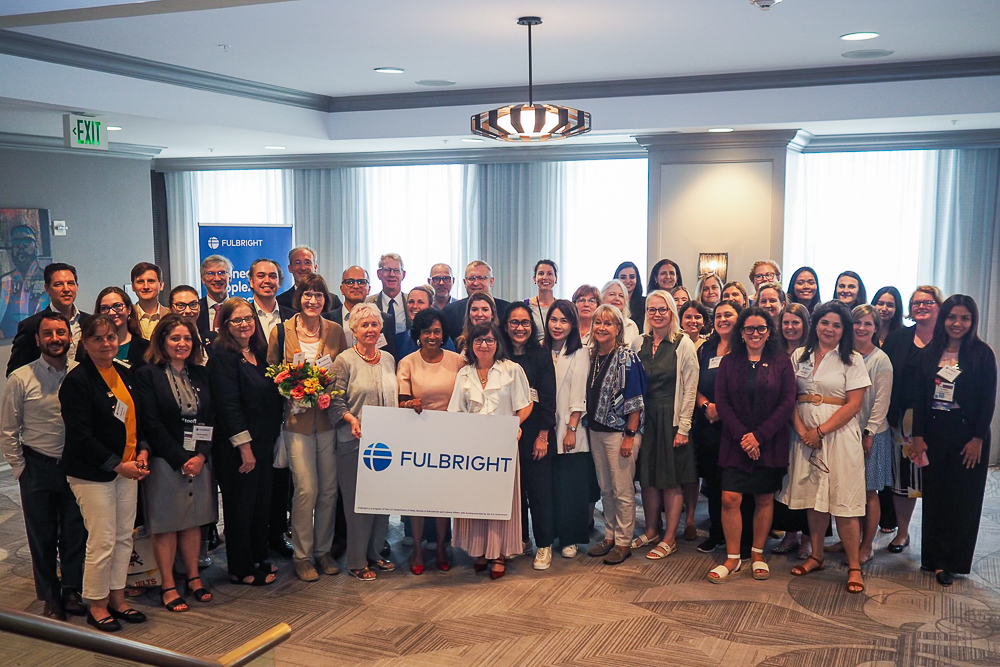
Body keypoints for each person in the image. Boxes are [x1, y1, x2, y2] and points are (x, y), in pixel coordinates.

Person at [60, 315, 150, 632]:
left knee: (124, 537)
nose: (106, 343)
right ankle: (96, 605)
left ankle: (117, 598)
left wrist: (141, 451)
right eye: (98, 338)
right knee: (102, 541)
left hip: (127, 468)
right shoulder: (77, 381)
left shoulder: (122, 373)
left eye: (111, 337)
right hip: (92, 474)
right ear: (84, 343)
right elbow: (81, 436)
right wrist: (116, 463)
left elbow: (136, 419)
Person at [778, 301, 870, 595]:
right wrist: (804, 431)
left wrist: (820, 431)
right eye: (824, 323)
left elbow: (855, 404)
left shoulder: (852, 359)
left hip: (838, 435)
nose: (829, 329)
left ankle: (854, 566)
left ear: (845, 330)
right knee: (813, 497)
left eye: (837, 325)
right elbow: (788, 397)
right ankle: (816, 556)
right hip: (803, 434)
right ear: (815, 325)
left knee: (844, 500)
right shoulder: (798, 355)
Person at [0, 312, 86, 621]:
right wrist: (21, 470)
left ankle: (73, 591)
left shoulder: (82, 373)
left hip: (77, 467)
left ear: (70, 337)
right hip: (37, 467)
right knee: (43, 535)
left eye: (60, 333)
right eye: (48, 334)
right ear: (38, 340)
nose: (55, 339)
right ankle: (50, 595)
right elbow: (8, 431)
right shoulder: (20, 379)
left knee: (76, 532)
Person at [910, 295, 996, 587]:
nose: (957, 324)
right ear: (943, 318)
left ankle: (950, 561)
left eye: (965, 318)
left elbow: (987, 401)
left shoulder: (982, 355)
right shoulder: (929, 353)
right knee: (935, 496)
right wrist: (918, 436)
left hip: (968, 434)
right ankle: (931, 559)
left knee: (961, 500)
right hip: (934, 431)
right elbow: (920, 399)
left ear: (972, 322)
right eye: (952, 317)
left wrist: (978, 438)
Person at [268, 275, 348, 582]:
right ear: (298, 298)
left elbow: (340, 373)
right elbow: (272, 374)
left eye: (318, 295)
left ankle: (322, 551)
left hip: (328, 423)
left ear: (325, 301)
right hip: (296, 424)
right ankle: (301, 554)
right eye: (307, 295)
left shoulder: (336, 331)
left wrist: (328, 394)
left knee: (329, 490)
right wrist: (291, 391)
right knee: (306, 490)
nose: (312, 300)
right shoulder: (282, 331)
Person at [134, 314, 216, 612]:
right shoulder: (147, 374)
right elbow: (151, 423)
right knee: (166, 525)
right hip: (165, 461)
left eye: (187, 339)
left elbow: (210, 418)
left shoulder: (201, 373)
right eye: (175, 338)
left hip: (199, 460)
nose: (182, 344)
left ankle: (193, 577)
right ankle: (168, 585)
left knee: (194, 521)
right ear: (162, 341)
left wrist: (201, 456)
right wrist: (183, 460)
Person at [708, 307, 796, 582]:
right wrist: (744, 437)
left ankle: (757, 553)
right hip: (735, 441)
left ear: (769, 332)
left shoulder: (782, 361)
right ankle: (733, 557)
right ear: (741, 333)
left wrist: (759, 436)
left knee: (764, 498)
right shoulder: (729, 362)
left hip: (769, 441)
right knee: (729, 498)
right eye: (749, 329)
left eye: (761, 328)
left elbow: (787, 402)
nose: (755, 333)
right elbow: (721, 401)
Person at [448, 321, 532, 579]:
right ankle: (481, 551)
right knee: (477, 499)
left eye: (489, 340)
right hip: (473, 448)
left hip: (503, 446)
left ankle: (499, 554)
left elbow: (525, 405)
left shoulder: (511, 370)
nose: (484, 345)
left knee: (500, 501)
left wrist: (514, 425)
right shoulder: (464, 373)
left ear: (498, 344)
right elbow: (455, 411)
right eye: (479, 340)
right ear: (471, 345)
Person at [208, 297, 283, 586]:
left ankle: (258, 557)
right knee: (240, 509)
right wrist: (245, 448)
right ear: (225, 324)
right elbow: (228, 407)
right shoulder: (222, 357)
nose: (244, 324)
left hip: (263, 444)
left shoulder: (258, 352)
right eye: (237, 320)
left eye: (248, 318)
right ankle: (240, 568)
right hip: (239, 449)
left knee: (260, 506)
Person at [329, 302, 398, 581]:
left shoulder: (389, 359)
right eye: (364, 325)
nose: (370, 329)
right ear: (353, 329)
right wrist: (350, 419)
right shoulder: (344, 360)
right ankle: (357, 561)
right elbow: (334, 401)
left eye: (374, 324)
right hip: (354, 443)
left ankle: (375, 553)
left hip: (387, 444)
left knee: (382, 503)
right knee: (358, 504)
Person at [629, 291, 698, 561]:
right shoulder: (638, 342)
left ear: (671, 311)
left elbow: (690, 389)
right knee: (647, 477)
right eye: (651, 309)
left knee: (670, 480)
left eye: (662, 309)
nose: (657, 314)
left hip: (671, 417)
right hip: (646, 418)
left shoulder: (683, 344)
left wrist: (684, 428)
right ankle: (651, 530)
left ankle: (670, 537)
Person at [397, 308, 464, 573]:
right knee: (418, 497)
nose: (432, 336)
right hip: (417, 434)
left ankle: (440, 546)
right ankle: (416, 548)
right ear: (419, 334)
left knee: (441, 497)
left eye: (437, 331)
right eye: (427, 331)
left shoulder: (458, 361)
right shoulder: (408, 362)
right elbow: (401, 400)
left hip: (449, 436)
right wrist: (410, 403)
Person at [881, 286, 943, 554]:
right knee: (905, 480)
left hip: (941, 420)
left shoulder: (948, 339)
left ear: (939, 306)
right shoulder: (898, 338)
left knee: (938, 478)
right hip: (904, 420)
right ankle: (902, 533)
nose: (921, 307)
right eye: (916, 303)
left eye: (928, 302)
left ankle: (937, 538)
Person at [585, 305, 647, 565]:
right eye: (598, 322)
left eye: (608, 323)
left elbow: (636, 399)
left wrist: (630, 435)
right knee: (606, 489)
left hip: (621, 433)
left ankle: (623, 541)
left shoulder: (626, 357)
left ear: (618, 328)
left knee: (622, 490)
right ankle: (609, 536)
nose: (601, 327)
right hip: (596, 431)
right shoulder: (591, 356)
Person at [692, 301, 754, 556]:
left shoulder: (747, 349)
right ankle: (717, 533)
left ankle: (745, 541)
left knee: (739, 485)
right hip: (708, 425)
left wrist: (723, 410)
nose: (723, 319)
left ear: (739, 318)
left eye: (728, 314)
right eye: (718, 315)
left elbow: (750, 389)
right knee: (714, 484)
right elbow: (691, 382)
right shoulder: (706, 348)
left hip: (737, 427)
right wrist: (707, 404)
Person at [502, 303, 558, 570]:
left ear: (532, 326)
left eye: (524, 323)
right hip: (506, 433)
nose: (519, 328)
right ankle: (521, 539)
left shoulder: (541, 355)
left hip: (535, 432)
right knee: (514, 490)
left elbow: (548, 398)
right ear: (506, 325)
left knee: (539, 491)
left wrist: (543, 435)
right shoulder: (500, 355)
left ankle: (544, 545)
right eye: (514, 322)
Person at [544, 300, 593, 558]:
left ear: (572, 324)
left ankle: (570, 538)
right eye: (554, 320)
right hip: (545, 429)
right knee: (550, 486)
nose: (558, 325)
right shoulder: (542, 350)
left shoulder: (580, 351)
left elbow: (579, 393)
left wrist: (571, 427)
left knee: (570, 487)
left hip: (569, 428)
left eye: (564, 320)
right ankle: (550, 534)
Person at [848, 305, 894, 565]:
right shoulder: (843, 355)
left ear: (876, 328)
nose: (861, 328)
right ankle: (849, 541)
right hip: (845, 432)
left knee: (869, 492)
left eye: (867, 323)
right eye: (857, 323)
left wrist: (869, 432)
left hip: (873, 434)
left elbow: (881, 402)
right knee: (848, 490)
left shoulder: (880, 360)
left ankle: (867, 545)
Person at [7, 263, 89, 376]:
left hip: (82, 390)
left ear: (77, 287)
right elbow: (15, 371)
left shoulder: (89, 322)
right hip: (45, 390)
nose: (66, 289)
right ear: (47, 288)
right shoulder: (31, 325)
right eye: (58, 284)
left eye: (70, 283)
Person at [332, 266, 397, 359]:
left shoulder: (385, 319)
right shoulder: (328, 319)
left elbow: (391, 355)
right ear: (342, 289)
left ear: (369, 289)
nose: (356, 286)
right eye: (350, 282)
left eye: (361, 282)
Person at [441, 261, 510, 342]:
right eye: (471, 278)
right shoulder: (450, 311)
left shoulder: (507, 310)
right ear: (465, 282)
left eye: (481, 278)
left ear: (491, 281)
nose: (476, 283)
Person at [0, 224, 49, 337]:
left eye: (27, 240)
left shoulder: (47, 279)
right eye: (16, 242)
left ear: (36, 246)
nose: (21, 246)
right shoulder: (5, 281)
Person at [88, 287, 148, 368]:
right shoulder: (87, 349)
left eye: (117, 306)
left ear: (129, 309)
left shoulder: (146, 348)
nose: (111, 312)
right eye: (105, 308)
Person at [277, 245, 342, 312]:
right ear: (290, 268)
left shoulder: (333, 301)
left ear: (315, 267)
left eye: (307, 262)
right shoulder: (280, 302)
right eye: (297, 263)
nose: (303, 268)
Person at [368, 252, 408, 336]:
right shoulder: (367, 303)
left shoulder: (412, 302)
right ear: (379, 274)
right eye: (387, 270)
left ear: (403, 275)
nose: (392, 274)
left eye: (396, 270)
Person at [395, 284, 437, 358]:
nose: (414, 306)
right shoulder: (399, 339)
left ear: (431, 307)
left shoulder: (439, 338)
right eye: (411, 302)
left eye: (420, 302)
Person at [130, 262, 170, 340]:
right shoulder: (126, 317)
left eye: (151, 281)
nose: (146, 286)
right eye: (140, 282)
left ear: (161, 285)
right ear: (133, 287)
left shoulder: (171, 316)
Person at [196, 255, 232, 337]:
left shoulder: (240, 308)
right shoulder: (195, 310)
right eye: (210, 273)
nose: (217, 279)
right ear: (203, 279)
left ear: (230, 278)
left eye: (222, 273)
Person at [600, 279, 641, 347]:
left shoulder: (631, 326)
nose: (617, 298)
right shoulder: (595, 324)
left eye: (621, 296)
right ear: (602, 298)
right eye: (612, 294)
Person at [525, 260, 558, 342]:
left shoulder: (563, 307)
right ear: (534, 279)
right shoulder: (525, 305)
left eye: (549, 274)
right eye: (541, 273)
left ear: (556, 279)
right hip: (533, 352)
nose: (545, 277)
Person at [614, 261, 645, 331]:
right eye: (623, 277)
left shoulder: (645, 303)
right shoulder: (611, 303)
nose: (628, 281)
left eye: (632, 277)